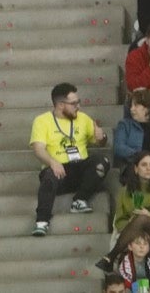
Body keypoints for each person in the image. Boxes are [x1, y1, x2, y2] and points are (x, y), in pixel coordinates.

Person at [29, 82, 110, 236]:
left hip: (80, 169)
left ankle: (80, 200)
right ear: (60, 105)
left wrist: (102, 137)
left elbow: (101, 142)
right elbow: (38, 149)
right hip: (59, 171)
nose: (78, 106)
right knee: (49, 176)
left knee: (102, 161)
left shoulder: (83, 118)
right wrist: (53, 162)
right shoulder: (42, 121)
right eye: (73, 103)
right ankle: (42, 221)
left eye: (78, 102)